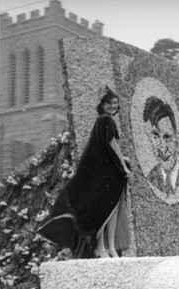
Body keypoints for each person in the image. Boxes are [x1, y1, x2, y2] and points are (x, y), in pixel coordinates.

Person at [38, 85, 132, 258]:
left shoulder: (105, 121)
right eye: (109, 103)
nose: (113, 106)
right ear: (102, 105)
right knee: (107, 209)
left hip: (109, 169)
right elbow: (111, 144)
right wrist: (124, 166)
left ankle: (109, 247)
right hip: (107, 171)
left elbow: (110, 146)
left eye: (115, 103)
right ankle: (103, 247)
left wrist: (122, 160)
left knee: (112, 209)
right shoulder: (105, 120)